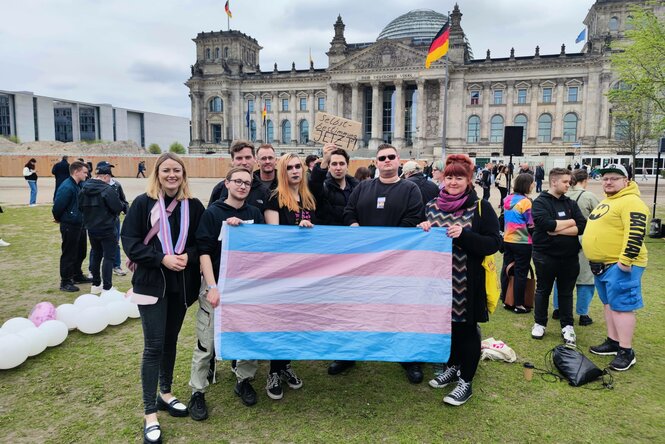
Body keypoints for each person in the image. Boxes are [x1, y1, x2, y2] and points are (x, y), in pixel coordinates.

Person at [121, 153, 205, 444]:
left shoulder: (193, 206)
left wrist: (187, 256)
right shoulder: (143, 204)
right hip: (151, 284)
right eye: (166, 170)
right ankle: (149, 413)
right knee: (153, 347)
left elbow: (201, 243)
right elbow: (130, 243)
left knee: (170, 341)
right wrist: (162, 259)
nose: (172, 175)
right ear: (157, 174)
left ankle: (165, 393)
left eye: (177, 171)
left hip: (180, 287)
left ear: (183, 175)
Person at [418, 154, 501, 406]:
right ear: (442, 178)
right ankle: (453, 367)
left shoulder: (480, 207)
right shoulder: (432, 205)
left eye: (459, 177)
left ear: (469, 180)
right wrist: (421, 229)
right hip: (437, 282)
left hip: (467, 281)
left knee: (467, 330)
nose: (453, 182)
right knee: (447, 327)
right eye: (449, 177)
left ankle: (466, 380)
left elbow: (494, 243)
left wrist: (464, 235)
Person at [343, 143, 425, 383]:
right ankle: (349, 354)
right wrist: (354, 226)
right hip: (363, 263)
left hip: (398, 263)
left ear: (399, 160)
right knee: (358, 309)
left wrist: (386, 245)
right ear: (376, 162)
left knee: (400, 310)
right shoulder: (362, 188)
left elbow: (413, 219)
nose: (387, 161)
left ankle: (409, 358)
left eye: (391, 157)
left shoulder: (411, 189)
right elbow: (349, 212)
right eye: (382, 158)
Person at [189, 167, 264, 419]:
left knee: (247, 335)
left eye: (247, 183)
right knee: (207, 340)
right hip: (218, 284)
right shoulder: (213, 213)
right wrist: (212, 286)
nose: (242, 186)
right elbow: (205, 252)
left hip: (245, 287)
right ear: (227, 183)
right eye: (238, 182)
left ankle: (244, 379)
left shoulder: (254, 213)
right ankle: (197, 391)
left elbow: (263, 247)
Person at [583, 164, 648, 371]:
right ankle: (613, 342)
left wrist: (625, 260)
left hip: (620, 265)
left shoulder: (631, 201)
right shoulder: (609, 201)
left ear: (626, 181)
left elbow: (636, 231)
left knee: (622, 307)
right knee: (609, 304)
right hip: (602, 266)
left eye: (614, 178)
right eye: (605, 178)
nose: (608, 182)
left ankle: (626, 351)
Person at [262, 153, 314, 399]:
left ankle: (285, 365)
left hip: (306, 270)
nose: (295, 171)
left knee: (295, 320)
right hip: (281, 271)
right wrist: (297, 231)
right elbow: (274, 238)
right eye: (290, 167)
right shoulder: (274, 199)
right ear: (283, 171)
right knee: (278, 320)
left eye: (298, 167)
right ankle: (274, 370)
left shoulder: (308, 197)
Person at [530, 168, 586, 345]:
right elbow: (545, 224)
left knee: (566, 292)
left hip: (569, 257)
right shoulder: (540, 202)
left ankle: (567, 326)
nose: (569, 185)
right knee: (543, 290)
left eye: (569, 182)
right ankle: (540, 323)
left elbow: (583, 225)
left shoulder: (570, 203)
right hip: (545, 255)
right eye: (565, 182)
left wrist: (559, 227)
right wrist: (570, 223)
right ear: (554, 182)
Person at [551, 169, 601, 325]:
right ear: (585, 180)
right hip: (583, 241)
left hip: (561, 240)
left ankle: (558, 308)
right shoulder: (589, 196)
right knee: (585, 279)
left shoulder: (563, 196)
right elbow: (599, 218)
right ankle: (583, 313)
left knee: (561, 277)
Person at [78, 162, 124, 295]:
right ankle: (107, 287)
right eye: (109, 177)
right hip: (107, 228)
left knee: (97, 254)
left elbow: (80, 206)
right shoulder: (107, 189)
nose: (110, 180)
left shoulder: (84, 188)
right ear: (104, 176)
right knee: (108, 257)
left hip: (91, 228)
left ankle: (96, 284)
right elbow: (117, 207)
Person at [52, 161, 91, 292]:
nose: (87, 175)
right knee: (69, 253)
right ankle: (65, 281)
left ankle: (76, 275)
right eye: (85, 172)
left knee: (81, 251)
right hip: (70, 225)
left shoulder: (78, 185)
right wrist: (59, 218)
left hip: (80, 224)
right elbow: (58, 206)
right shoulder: (67, 187)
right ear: (76, 172)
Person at [500, 173, 535, 313]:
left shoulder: (507, 199)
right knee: (521, 272)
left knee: (507, 270)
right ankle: (519, 304)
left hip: (508, 239)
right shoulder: (526, 202)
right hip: (523, 242)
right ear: (527, 184)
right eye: (532, 183)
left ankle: (506, 300)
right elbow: (531, 224)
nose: (533, 185)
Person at [209, 140, 269, 212]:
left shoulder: (264, 192)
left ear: (255, 159)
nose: (244, 162)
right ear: (232, 161)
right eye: (239, 158)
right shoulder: (220, 189)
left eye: (247, 157)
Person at [309, 144, 359, 226]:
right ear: (328, 166)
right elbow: (314, 184)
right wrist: (325, 160)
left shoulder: (357, 187)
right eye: (334, 164)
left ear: (347, 166)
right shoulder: (323, 186)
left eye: (342, 164)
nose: (338, 168)